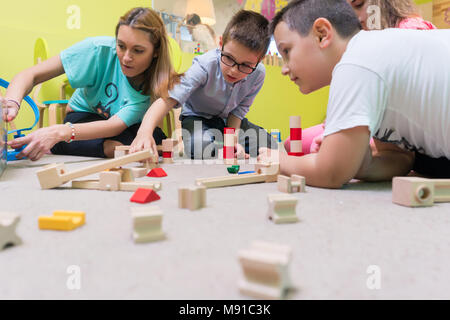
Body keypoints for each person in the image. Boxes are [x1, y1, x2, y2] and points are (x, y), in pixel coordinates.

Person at [259, 0, 450, 188]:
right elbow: (400, 159)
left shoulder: (356, 61)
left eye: (287, 51)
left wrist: (280, 160)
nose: (285, 69)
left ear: (322, 34)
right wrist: (362, 164)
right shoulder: (372, 54)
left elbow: (331, 173)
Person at [3, 7, 180, 161]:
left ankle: (70, 144)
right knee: (114, 147)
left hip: (121, 124)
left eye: (138, 51)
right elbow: (31, 75)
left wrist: (59, 133)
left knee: (150, 140)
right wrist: (12, 102)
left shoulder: (154, 84)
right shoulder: (97, 50)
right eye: (121, 46)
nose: (126, 58)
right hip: (85, 115)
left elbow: (113, 126)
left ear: (155, 52)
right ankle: (77, 144)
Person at [285, 0, 436, 155]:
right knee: (295, 143)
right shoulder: (359, 46)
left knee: (323, 146)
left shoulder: (411, 31)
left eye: (358, 5)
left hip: (408, 128)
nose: (352, 18)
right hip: (378, 124)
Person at [131, 10, 277, 159]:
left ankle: (221, 146)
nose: (233, 70)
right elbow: (167, 99)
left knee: (270, 145)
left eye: (246, 65)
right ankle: (216, 147)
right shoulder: (204, 66)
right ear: (221, 44)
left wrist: (231, 141)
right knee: (199, 145)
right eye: (229, 58)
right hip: (196, 118)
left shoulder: (258, 74)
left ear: (260, 60)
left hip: (226, 122)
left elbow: (238, 112)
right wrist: (144, 132)